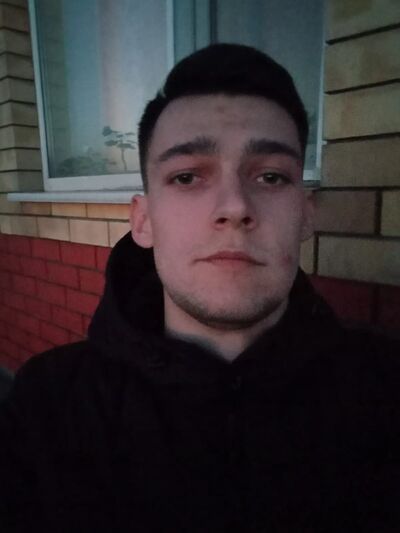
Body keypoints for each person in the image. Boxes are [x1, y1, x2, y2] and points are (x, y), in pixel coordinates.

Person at [1, 43, 399, 533]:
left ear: (305, 215)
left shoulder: (385, 394)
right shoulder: (46, 410)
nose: (234, 207)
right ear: (143, 221)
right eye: (187, 176)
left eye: (271, 176)